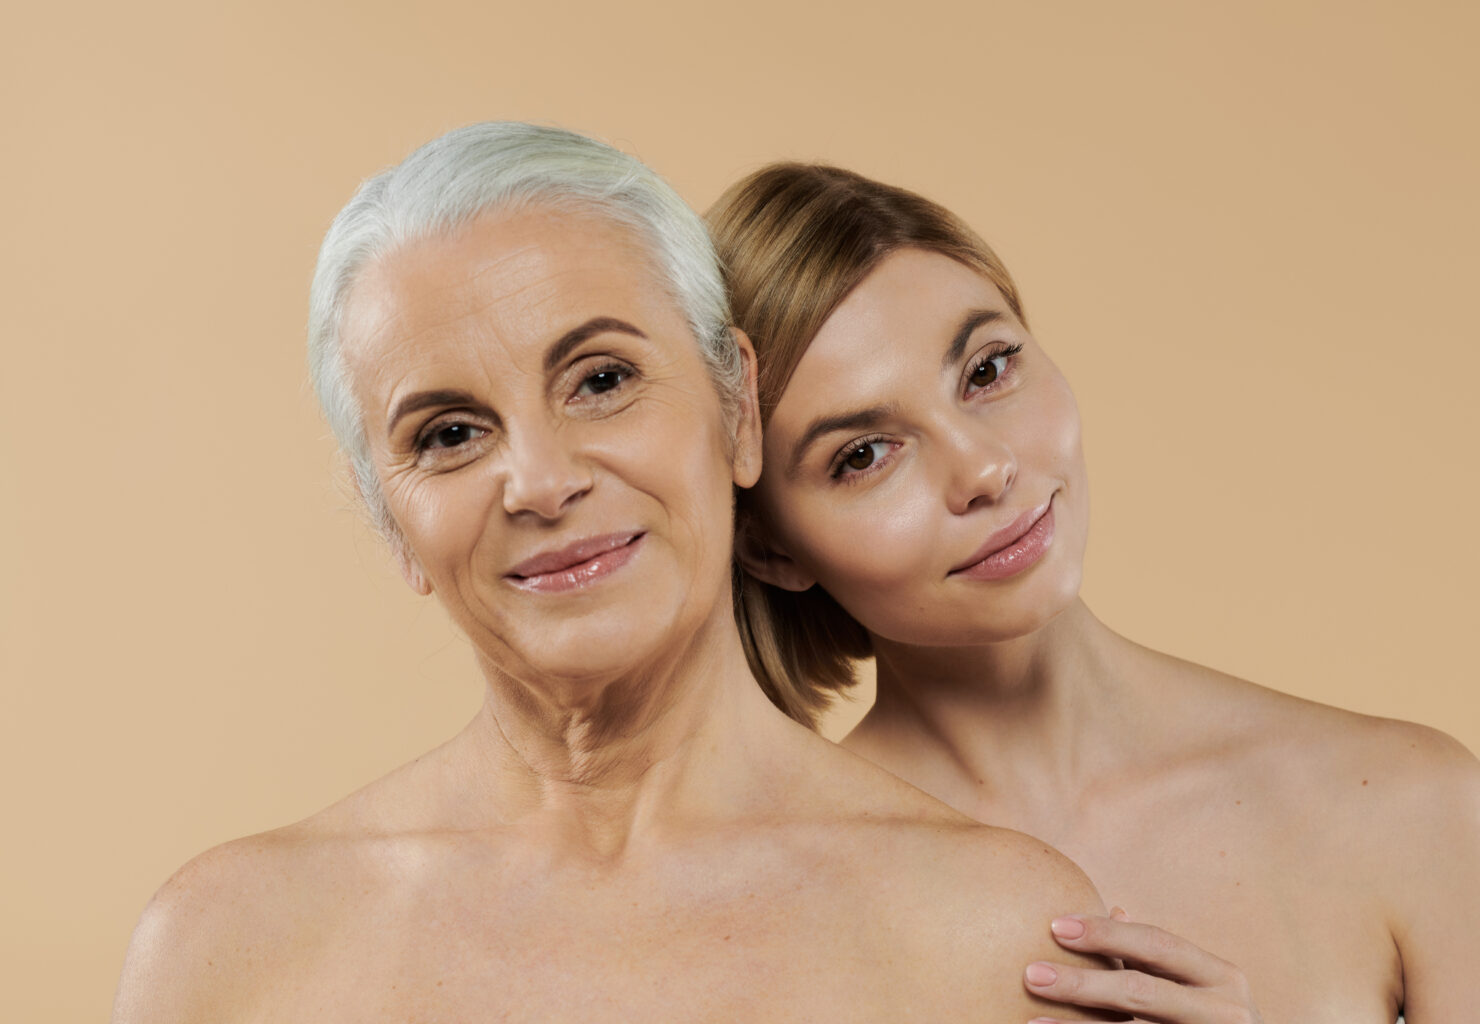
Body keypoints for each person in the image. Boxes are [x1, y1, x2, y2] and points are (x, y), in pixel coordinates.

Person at [108, 124, 1118, 1023]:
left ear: (736, 408)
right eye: (450, 433)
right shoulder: (224, 946)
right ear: (391, 522)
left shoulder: (1003, 935)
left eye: (602, 380)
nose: (540, 483)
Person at [707, 162, 1480, 1023]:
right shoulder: (771, 919)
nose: (985, 469)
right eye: (865, 455)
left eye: (988, 370)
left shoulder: (1409, 808)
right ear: (768, 548)